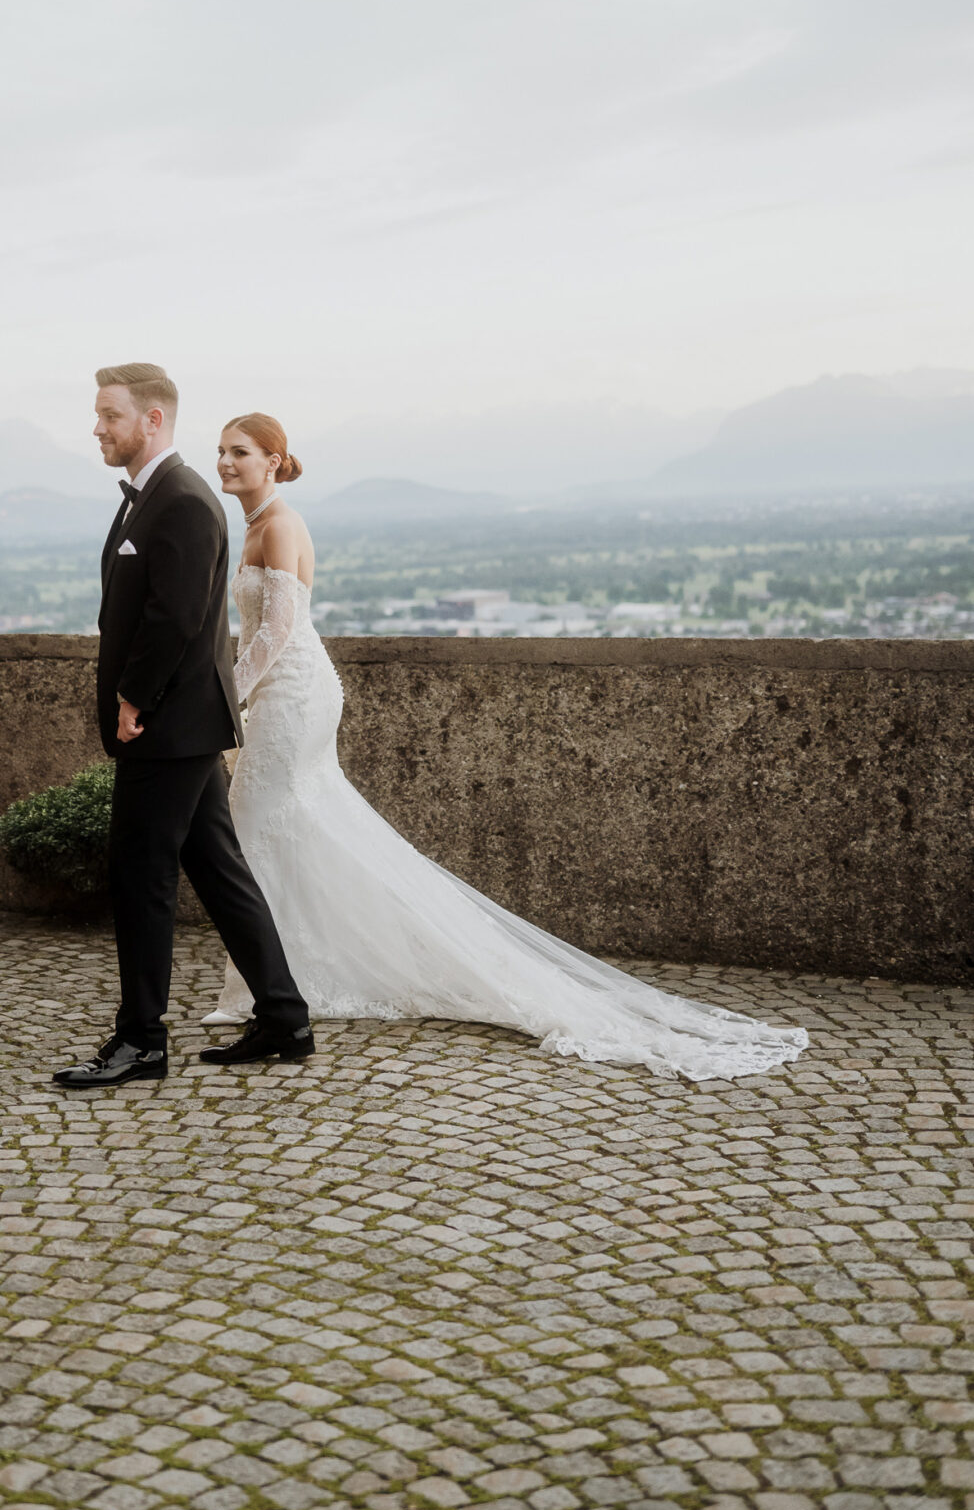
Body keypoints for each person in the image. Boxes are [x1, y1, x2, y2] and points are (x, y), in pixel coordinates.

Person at [205, 411, 809, 1084]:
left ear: (273, 460)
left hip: (292, 696)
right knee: (287, 835)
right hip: (289, 693)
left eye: (241, 451)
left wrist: (226, 697)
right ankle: (275, 987)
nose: (227, 461)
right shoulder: (258, 524)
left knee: (251, 830)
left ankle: (270, 995)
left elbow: (279, 630)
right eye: (223, 451)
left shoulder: (281, 524)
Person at [53, 365, 313, 1090]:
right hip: (182, 725)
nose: (98, 428)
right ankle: (285, 1019)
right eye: (99, 414)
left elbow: (177, 615)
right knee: (219, 871)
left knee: (140, 876)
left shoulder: (187, 501)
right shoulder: (151, 499)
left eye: (110, 414)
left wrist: (133, 698)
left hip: (169, 725)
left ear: (153, 420)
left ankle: (141, 1041)